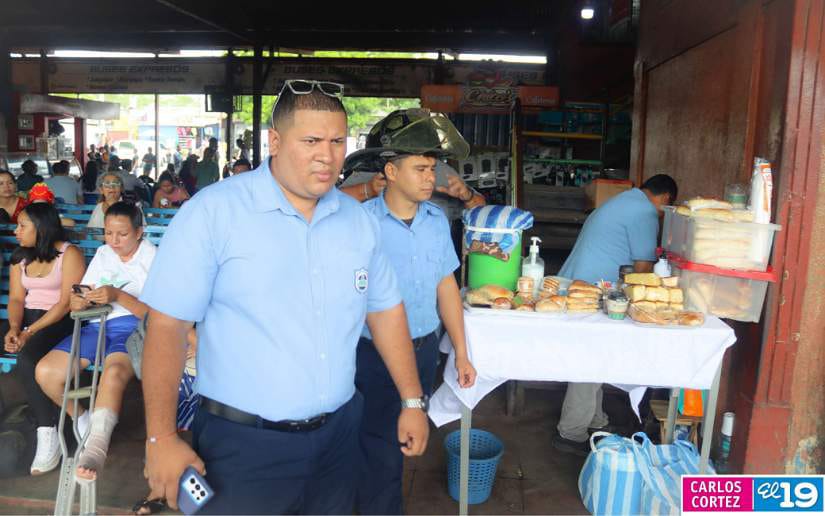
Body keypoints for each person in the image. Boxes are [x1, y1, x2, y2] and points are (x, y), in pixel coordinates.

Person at [138, 79, 429, 514]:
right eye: (310, 140)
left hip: (339, 436)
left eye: (336, 141)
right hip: (244, 445)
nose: (326, 155)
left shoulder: (357, 221)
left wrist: (411, 400)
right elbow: (167, 325)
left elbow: (385, 309)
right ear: (275, 141)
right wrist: (160, 437)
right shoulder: (215, 212)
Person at [343, 108, 478, 514]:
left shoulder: (437, 221)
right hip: (371, 351)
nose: (430, 178)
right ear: (391, 171)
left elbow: (447, 288)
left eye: (432, 168)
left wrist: (462, 351)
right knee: (377, 443)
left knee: (402, 439)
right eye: (420, 168)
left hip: (422, 349)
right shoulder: (361, 221)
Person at [552, 173, 678, 456]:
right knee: (590, 358)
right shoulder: (645, 211)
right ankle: (570, 433)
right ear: (666, 199)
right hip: (591, 291)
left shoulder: (623, 201)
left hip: (578, 284)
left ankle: (596, 421)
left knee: (596, 356)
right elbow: (643, 267)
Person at [36, 201, 157, 483]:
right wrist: (79, 301)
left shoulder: (153, 258)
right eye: (108, 233)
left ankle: (96, 446)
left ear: (139, 232)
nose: (113, 241)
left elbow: (157, 315)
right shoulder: (103, 253)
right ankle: (85, 420)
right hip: (96, 324)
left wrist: (118, 296)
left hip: (134, 328)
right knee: (46, 373)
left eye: (122, 234)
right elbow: (83, 297)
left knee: (113, 373)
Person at [0, 203, 85, 474]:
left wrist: (28, 333)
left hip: (59, 321)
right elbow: (16, 298)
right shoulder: (20, 257)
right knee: (19, 344)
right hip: (28, 319)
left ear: (42, 227)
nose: (17, 230)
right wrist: (14, 328)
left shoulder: (68, 254)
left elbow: (64, 304)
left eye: (23, 225)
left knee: (27, 357)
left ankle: (47, 431)